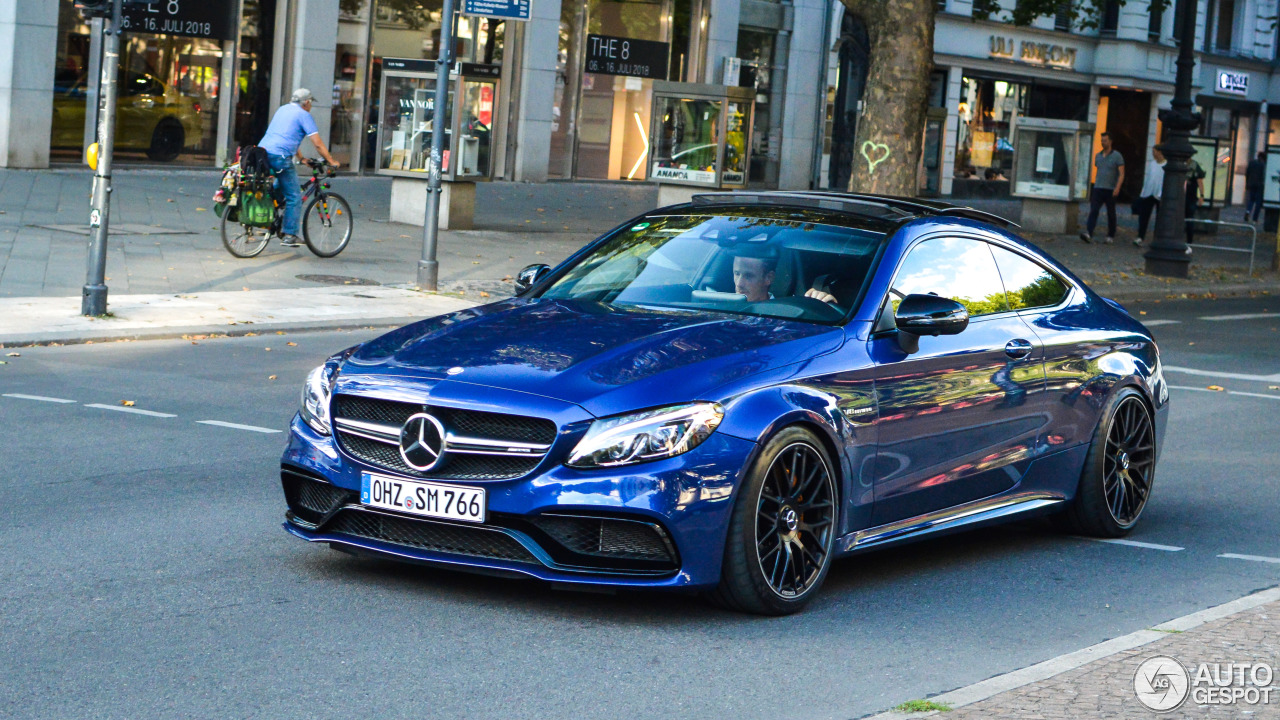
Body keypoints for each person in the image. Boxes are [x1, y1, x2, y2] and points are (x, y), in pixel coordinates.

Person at [258, 88, 340, 247]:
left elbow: (287, 136)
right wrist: (331, 161)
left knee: (279, 187)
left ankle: (267, 220)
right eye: (310, 103)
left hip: (263, 153)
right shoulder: (304, 115)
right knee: (294, 196)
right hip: (280, 157)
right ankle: (290, 234)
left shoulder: (283, 109)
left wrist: (301, 158)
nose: (310, 106)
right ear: (306, 102)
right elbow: (317, 143)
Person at [731, 254, 839, 305]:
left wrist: (822, 305)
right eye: (737, 274)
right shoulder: (721, 307)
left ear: (769, 278)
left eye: (748, 276)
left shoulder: (787, 312)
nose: (739, 283)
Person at [1080, 132, 1125, 244]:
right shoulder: (1098, 156)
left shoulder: (1117, 156)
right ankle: (1089, 232)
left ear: (1110, 141)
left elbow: (1121, 173)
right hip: (1098, 187)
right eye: (1101, 140)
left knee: (1111, 212)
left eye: (1105, 140)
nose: (1102, 142)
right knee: (1094, 210)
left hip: (1110, 188)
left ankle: (1110, 234)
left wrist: (1117, 187)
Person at [1133, 147, 1165, 247]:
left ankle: (1157, 238)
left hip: (1160, 194)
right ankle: (1140, 236)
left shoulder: (1166, 165)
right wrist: (1143, 192)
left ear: (1159, 152)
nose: (1153, 154)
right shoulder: (1152, 164)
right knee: (1144, 216)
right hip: (1149, 193)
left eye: (1154, 152)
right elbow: (1148, 179)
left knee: (1159, 218)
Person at [1184, 156, 1206, 253]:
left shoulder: (1193, 166)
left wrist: (1201, 196)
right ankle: (1188, 243)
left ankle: (1188, 242)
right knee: (1189, 219)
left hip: (1188, 197)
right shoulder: (1194, 165)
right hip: (1189, 197)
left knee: (1188, 219)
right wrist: (1201, 196)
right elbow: (1200, 181)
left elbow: (1200, 181)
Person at [1245, 151, 1266, 222]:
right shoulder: (1263, 165)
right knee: (1258, 203)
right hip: (1259, 185)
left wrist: (1247, 183)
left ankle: (1248, 211)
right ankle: (1255, 218)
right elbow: (1263, 176)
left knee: (1251, 200)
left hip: (1251, 184)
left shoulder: (1252, 163)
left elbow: (1247, 173)